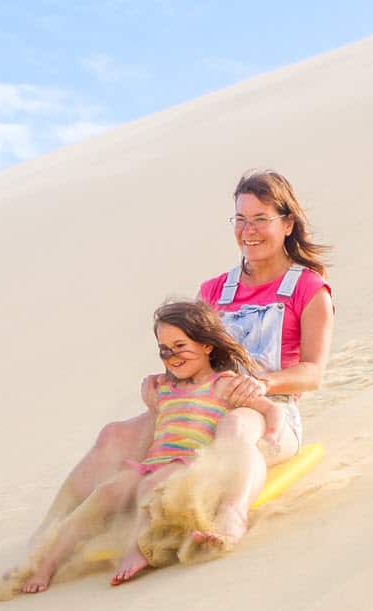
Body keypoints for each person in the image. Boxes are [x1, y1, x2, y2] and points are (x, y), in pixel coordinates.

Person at [30, 169, 333, 559]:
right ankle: (45, 536)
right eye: (240, 219)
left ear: (287, 223)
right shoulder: (213, 290)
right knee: (114, 436)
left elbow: (313, 372)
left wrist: (263, 384)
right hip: (198, 404)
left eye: (261, 219)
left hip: (268, 412)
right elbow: (190, 354)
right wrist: (164, 380)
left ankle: (231, 516)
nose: (248, 231)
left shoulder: (308, 289)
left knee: (235, 423)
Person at [22, 301, 282, 593]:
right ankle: (47, 563)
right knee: (106, 492)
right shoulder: (164, 388)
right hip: (153, 462)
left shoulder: (224, 384)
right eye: (164, 349)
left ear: (207, 345)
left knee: (151, 487)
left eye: (180, 345)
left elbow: (270, 409)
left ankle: (139, 550)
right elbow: (156, 424)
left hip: (188, 464)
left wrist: (271, 433)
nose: (172, 356)